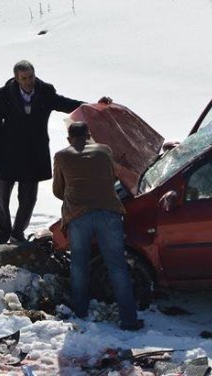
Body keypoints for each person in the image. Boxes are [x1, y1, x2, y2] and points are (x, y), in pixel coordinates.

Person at [0, 60, 107, 245]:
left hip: (33, 154)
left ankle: (17, 234)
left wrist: (95, 107)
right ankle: (1, 238)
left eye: (30, 77)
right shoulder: (4, 94)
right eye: (23, 78)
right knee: (3, 198)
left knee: (28, 199)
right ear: (17, 78)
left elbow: (67, 104)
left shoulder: (45, 91)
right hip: (7, 154)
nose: (28, 81)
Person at [52, 122, 142, 331]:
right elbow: (112, 178)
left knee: (79, 265)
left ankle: (80, 314)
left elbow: (58, 190)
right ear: (89, 135)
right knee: (117, 265)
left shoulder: (61, 156)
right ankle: (129, 320)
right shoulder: (104, 151)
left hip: (78, 215)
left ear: (69, 139)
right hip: (109, 212)